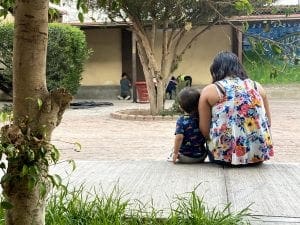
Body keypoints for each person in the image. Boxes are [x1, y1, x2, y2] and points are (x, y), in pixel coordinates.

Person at [199, 51, 274, 166]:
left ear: (215, 69)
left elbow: (204, 130)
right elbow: (268, 122)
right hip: (257, 156)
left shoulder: (212, 90)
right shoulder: (257, 87)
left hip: (223, 157)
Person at [169, 87, 207, 164]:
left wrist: (175, 153)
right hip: (202, 156)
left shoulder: (181, 120)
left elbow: (179, 137)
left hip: (186, 158)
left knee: (173, 149)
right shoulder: (202, 118)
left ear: (181, 106)